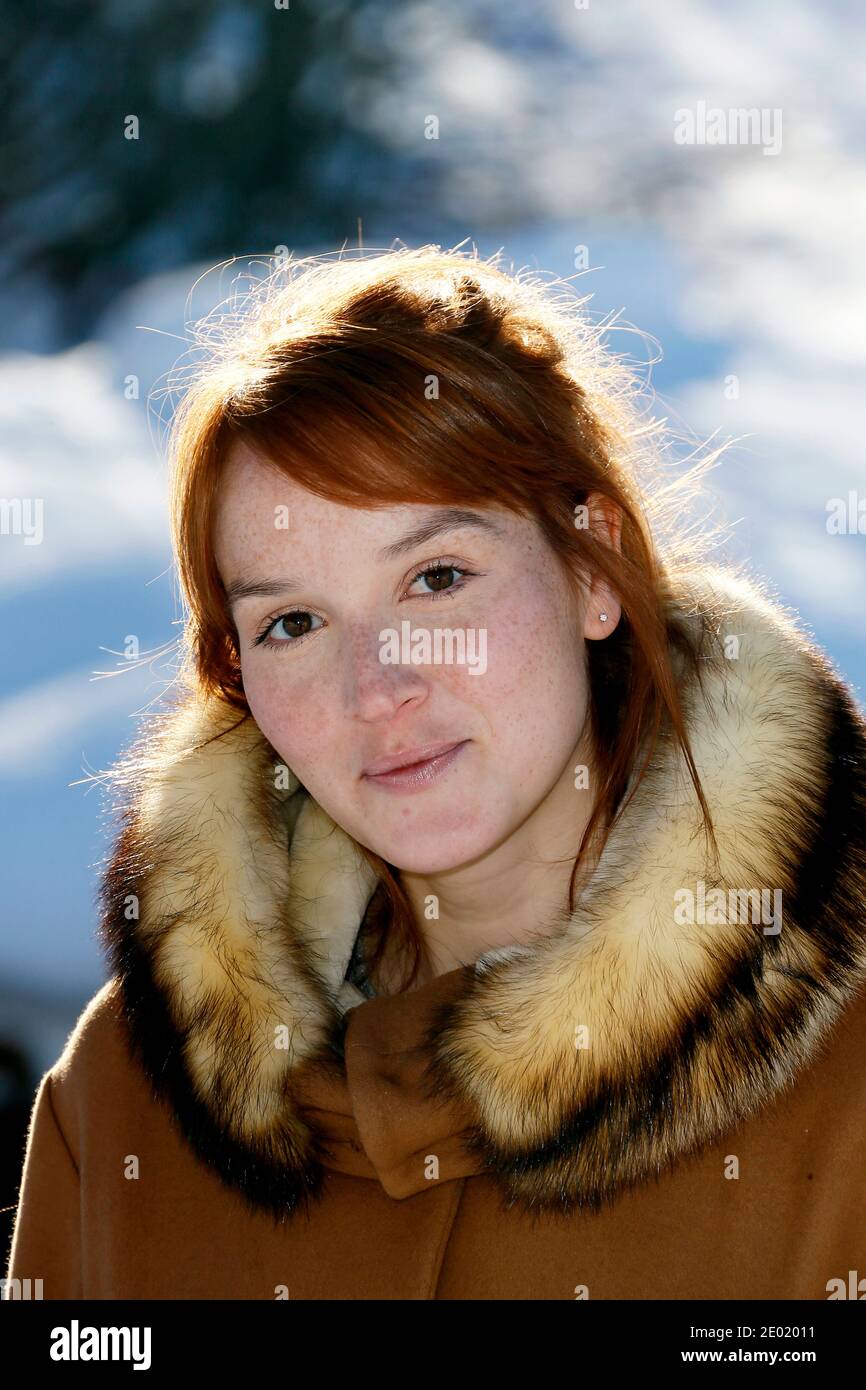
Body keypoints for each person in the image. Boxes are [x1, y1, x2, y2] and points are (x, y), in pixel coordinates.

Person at [5, 245, 866, 1300]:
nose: (375, 688)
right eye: (292, 622)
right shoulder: (125, 1102)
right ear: (234, 675)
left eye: (436, 577)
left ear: (594, 567)